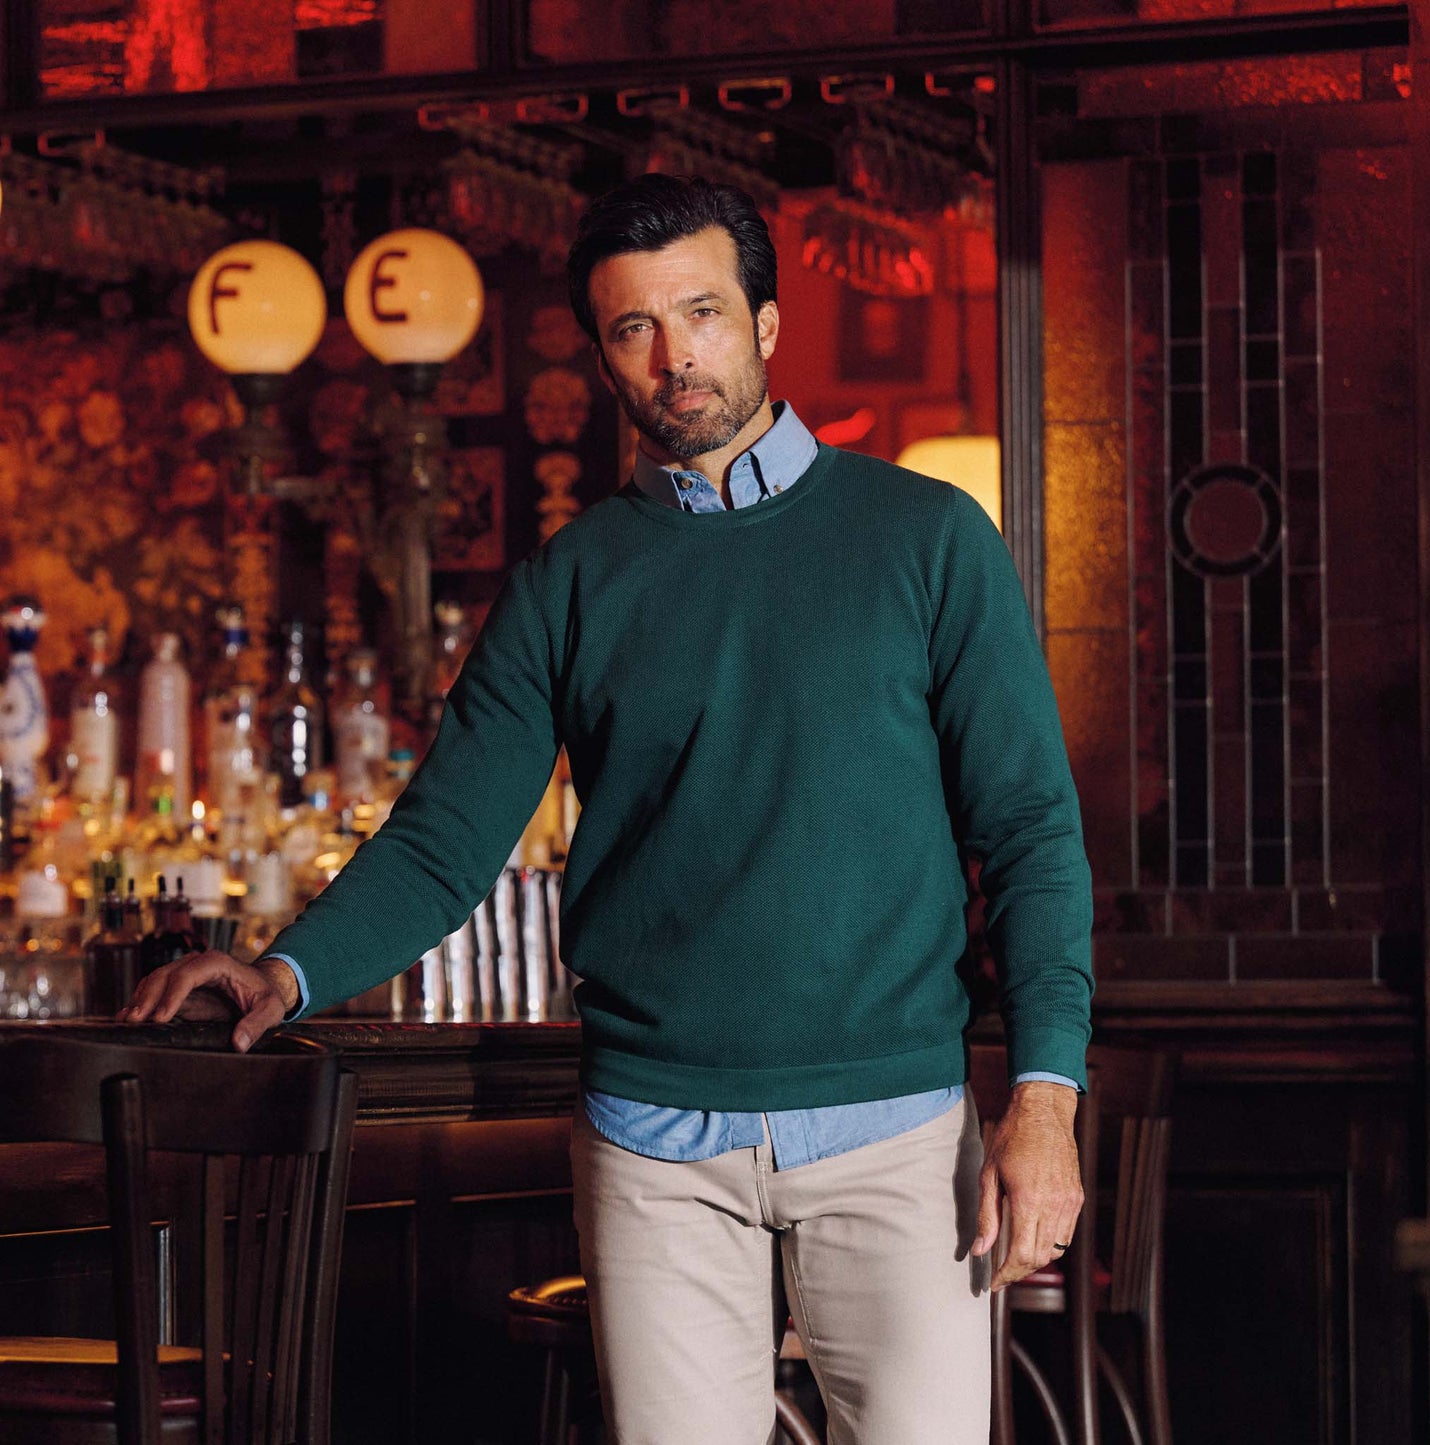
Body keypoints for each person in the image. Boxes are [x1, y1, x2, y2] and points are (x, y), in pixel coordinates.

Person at [124, 173, 1094, 1444]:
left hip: (893, 1134)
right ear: (602, 358)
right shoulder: (569, 579)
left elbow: (1026, 825)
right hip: (652, 1147)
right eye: (633, 328)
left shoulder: (926, 538)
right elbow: (443, 838)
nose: (672, 356)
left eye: (699, 312)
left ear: (764, 324)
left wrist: (1043, 1096)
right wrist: (287, 971)